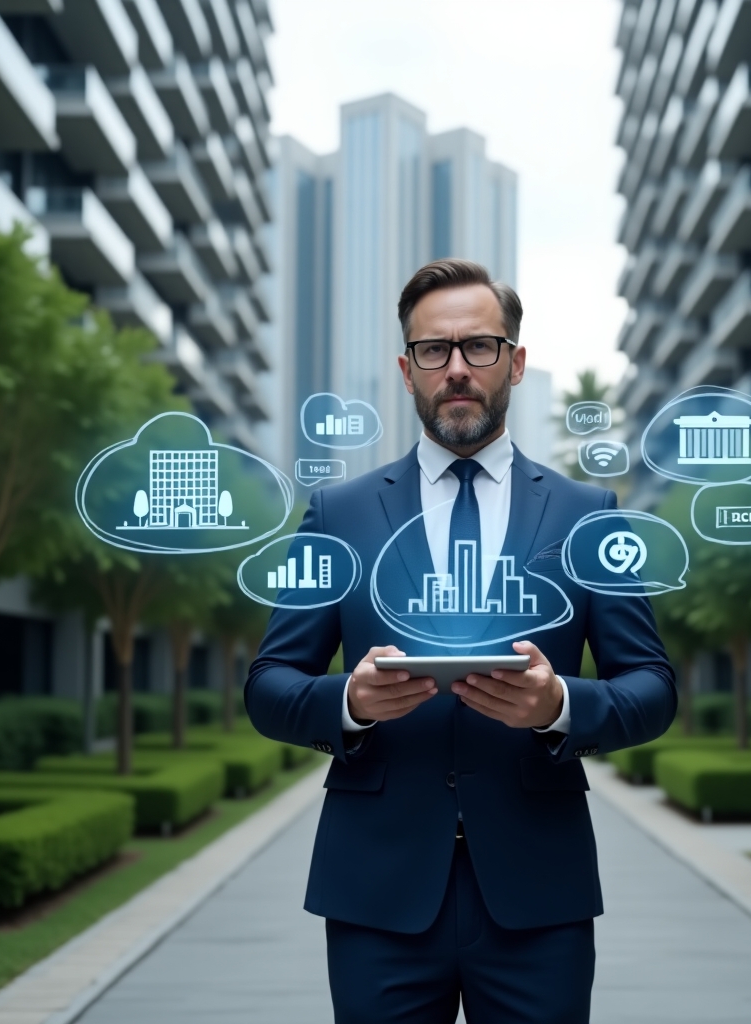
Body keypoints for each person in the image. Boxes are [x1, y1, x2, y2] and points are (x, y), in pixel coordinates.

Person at [245, 258, 676, 1023]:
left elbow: (650, 685)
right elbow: (271, 683)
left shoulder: (589, 511)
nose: (456, 369)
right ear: (407, 370)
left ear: (514, 360)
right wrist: (350, 699)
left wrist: (558, 706)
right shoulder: (336, 514)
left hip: (539, 890)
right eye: (434, 352)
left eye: (478, 347)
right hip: (376, 892)